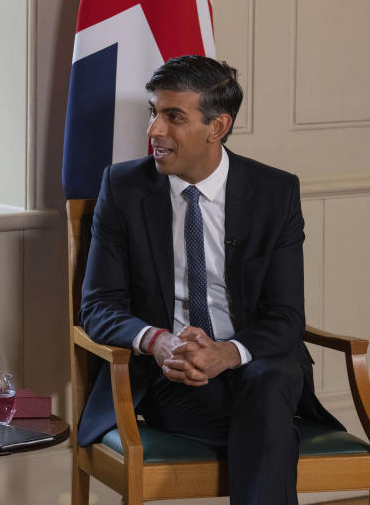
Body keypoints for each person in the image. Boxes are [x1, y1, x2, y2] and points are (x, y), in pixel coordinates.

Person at [75, 55, 342, 504]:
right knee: (267, 422)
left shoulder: (274, 193)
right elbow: (98, 306)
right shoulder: (123, 188)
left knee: (271, 379)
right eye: (153, 112)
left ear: (217, 127)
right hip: (169, 374)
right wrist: (158, 341)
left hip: (254, 365)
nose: (154, 131)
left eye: (174, 116)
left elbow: (285, 316)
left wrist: (227, 353)